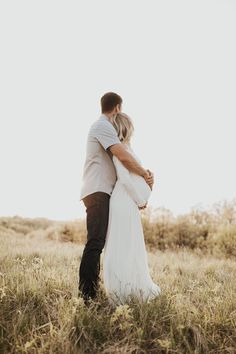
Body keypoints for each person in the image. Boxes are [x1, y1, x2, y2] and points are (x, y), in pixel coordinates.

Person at [78, 92, 154, 302]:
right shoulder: (103, 125)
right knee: (95, 243)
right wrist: (145, 174)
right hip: (98, 190)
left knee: (99, 242)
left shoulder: (102, 127)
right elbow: (122, 156)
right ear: (118, 108)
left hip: (103, 190)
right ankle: (87, 296)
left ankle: (93, 290)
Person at [102, 112, 161, 305]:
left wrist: (147, 180)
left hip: (128, 200)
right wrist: (139, 199)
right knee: (123, 244)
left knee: (131, 244)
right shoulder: (119, 149)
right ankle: (120, 291)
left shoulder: (127, 147)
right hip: (124, 200)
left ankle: (131, 286)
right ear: (126, 127)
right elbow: (125, 178)